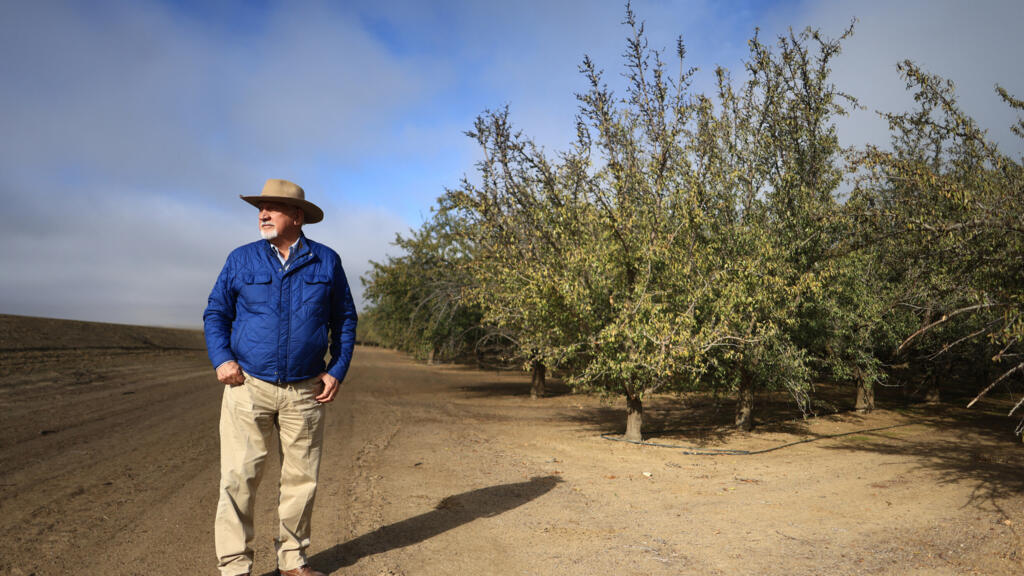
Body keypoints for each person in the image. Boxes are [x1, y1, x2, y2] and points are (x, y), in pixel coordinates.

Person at [204, 178, 357, 576]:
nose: (263, 214)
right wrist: (222, 359)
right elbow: (216, 313)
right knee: (239, 478)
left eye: (273, 207)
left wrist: (336, 369)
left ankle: (292, 562)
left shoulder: (326, 261)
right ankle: (235, 567)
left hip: (305, 391)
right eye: (261, 207)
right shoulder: (241, 259)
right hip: (247, 386)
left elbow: (344, 320)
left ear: (297, 216)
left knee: (301, 481)